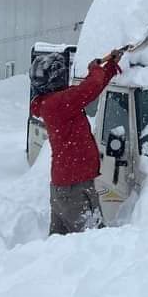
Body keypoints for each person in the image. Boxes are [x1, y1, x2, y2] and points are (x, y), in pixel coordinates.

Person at [30, 49, 123, 235]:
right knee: (92, 243)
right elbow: (91, 87)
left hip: (67, 188)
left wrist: (110, 67)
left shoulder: (54, 102)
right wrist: (94, 68)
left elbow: (90, 90)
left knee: (62, 246)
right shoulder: (58, 103)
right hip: (74, 190)